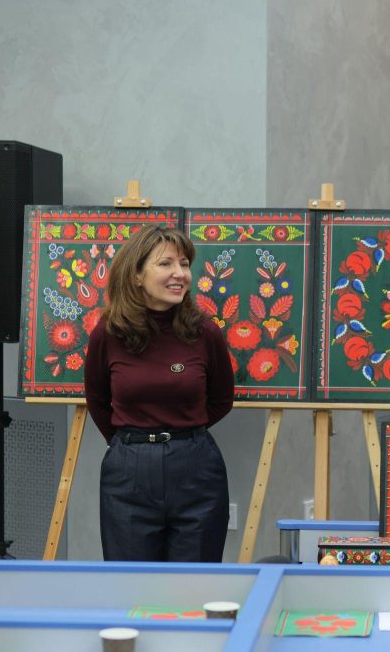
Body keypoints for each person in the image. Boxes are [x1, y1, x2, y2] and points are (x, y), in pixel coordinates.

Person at [85, 225, 234, 562]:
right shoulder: (108, 333)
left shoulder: (205, 332)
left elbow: (222, 400)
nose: (179, 273)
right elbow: (97, 401)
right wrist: (132, 442)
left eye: (184, 264)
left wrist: (184, 433)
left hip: (197, 469)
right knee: (132, 584)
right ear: (136, 275)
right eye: (166, 264)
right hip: (128, 471)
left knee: (194, 584)